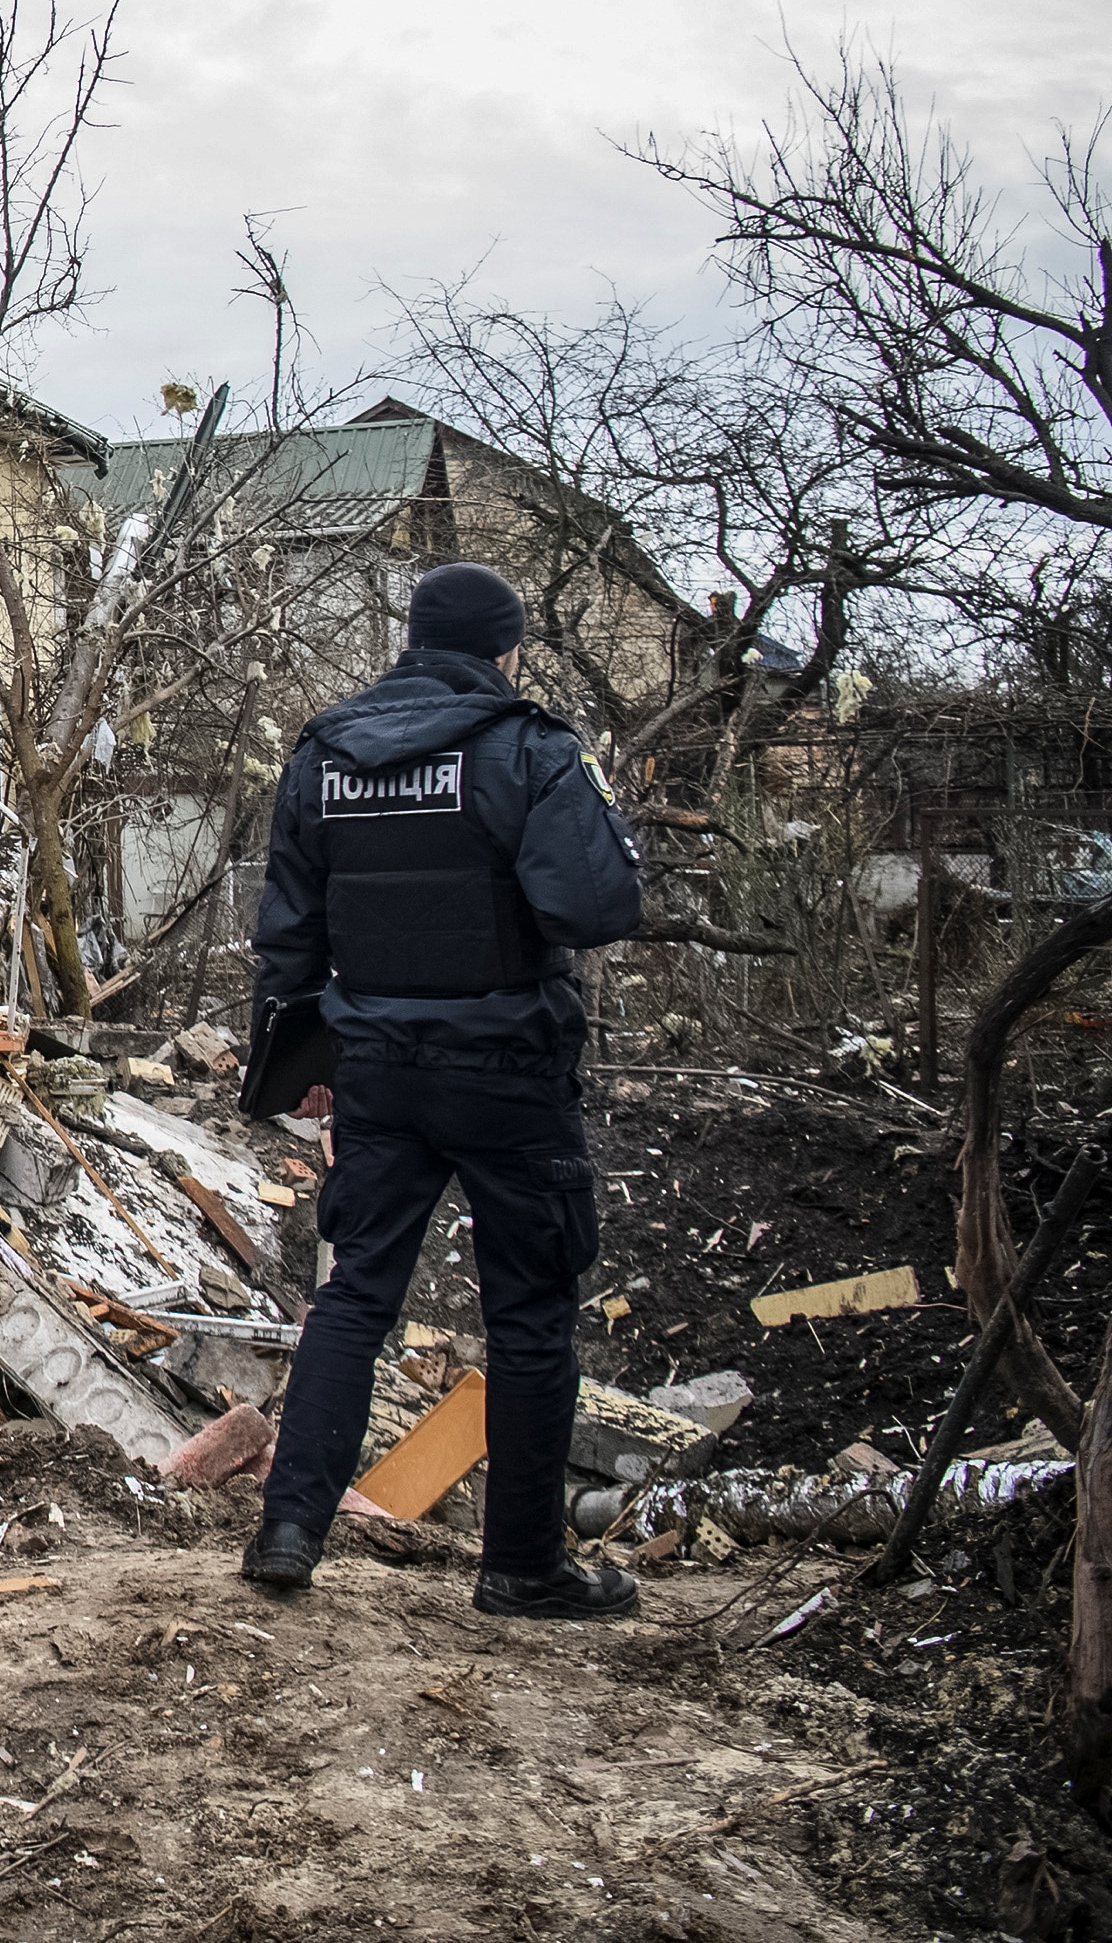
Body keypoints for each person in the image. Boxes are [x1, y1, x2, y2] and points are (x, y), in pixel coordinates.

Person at [242, 563, 645, 1618]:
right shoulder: (531, 749)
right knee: (528, 1314)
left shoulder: (322, 756)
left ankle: (287, 1532)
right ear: (504, 650)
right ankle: (521, 1568)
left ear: (412, 641)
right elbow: (594, 908)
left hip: (374, 1067)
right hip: (507, 1067)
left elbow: (286, 941)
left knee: (354, 1295)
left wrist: (304, 1061)